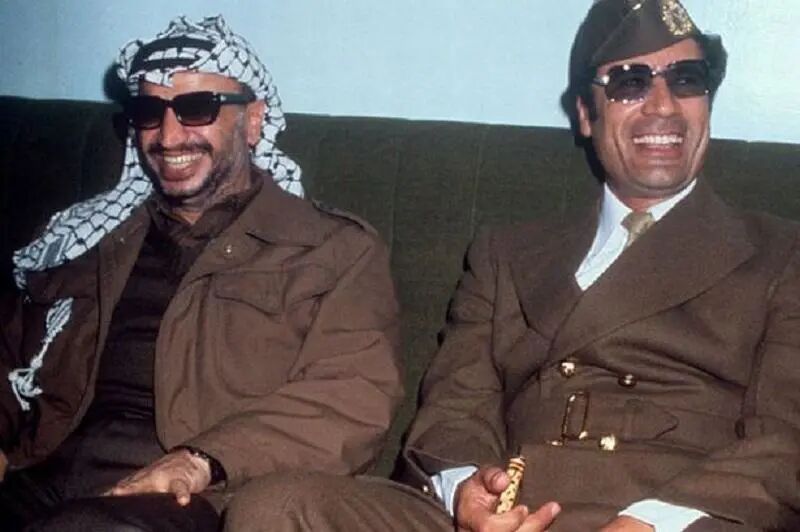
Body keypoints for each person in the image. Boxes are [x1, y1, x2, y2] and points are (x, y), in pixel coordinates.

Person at [223, 1, 800, 531]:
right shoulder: (507, 253)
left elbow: (786, 440)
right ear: (586, 114)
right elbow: (456, 404)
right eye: (629, 82)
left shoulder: (781, 254)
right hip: (511, 512)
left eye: (687, 80)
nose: (663, 105)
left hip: (678, 514)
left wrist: (654, 521)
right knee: (277, 509)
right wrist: (466, 488)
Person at [0, 15, 402, 531]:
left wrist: (201, 460)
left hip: (198, 497)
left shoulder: (331, 250)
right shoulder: (86, 239)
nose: (169, 136)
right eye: (149, 112)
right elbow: (11, 353)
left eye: (197, 109)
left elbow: (352, 398)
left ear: (252, 122)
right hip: (42, 473)